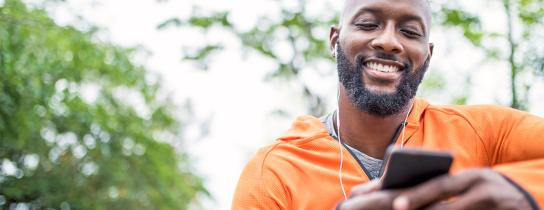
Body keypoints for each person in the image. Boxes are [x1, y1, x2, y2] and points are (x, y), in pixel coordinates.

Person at [232, 0, 544, 209]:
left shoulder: (486, 133)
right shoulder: (275, 171)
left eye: (410, 32)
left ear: (428, 54)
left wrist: (525, 193)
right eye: (368, 25)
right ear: (334, 40)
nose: (388, 41)